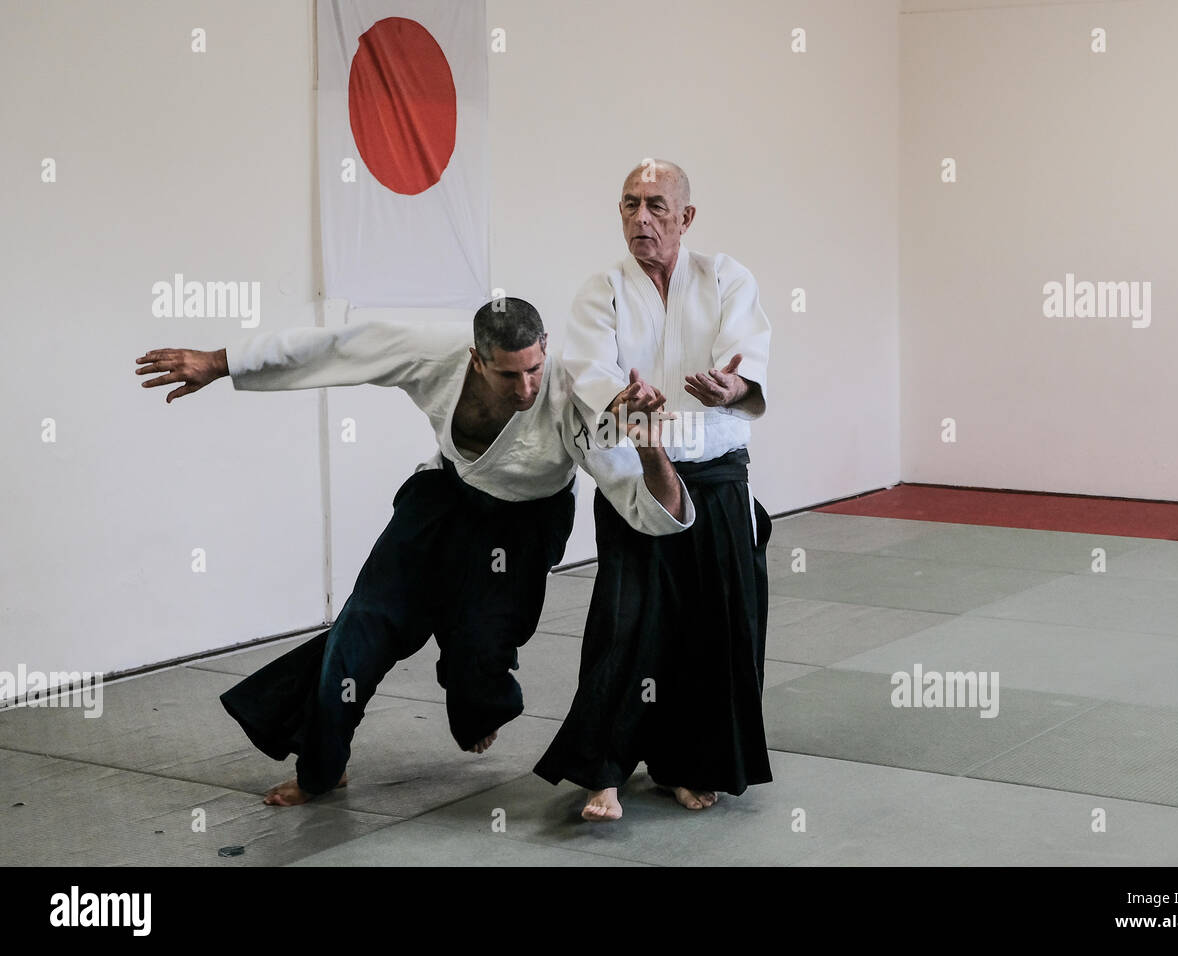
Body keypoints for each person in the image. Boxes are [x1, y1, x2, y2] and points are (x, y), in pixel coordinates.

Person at [134, 297, 692, 806]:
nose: (525, 389)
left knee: (481, 650)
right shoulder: (433, 354)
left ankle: (479, 704)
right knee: (364, 628)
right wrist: (222, 361)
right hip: (442, 503)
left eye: (534, 369)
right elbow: (337, 347)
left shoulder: (576, 396)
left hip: (523, 527)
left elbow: (644, 504)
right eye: (507, 374)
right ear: (476, 359)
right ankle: (321, 769)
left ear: (545, 351)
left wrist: (650, 448)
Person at [534, 160, 774, 821]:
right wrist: (620, 395)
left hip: (715, 474)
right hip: (636, 473)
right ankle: (603, 772)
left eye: (657, 206)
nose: (642, 218)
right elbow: (588, 365)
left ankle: (686, 766)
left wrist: (734, 386)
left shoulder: (725, 276)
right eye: (631, 205)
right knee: (626, 620)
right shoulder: (601, 289)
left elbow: (746, 352)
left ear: (686, 217)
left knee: (713, 626)